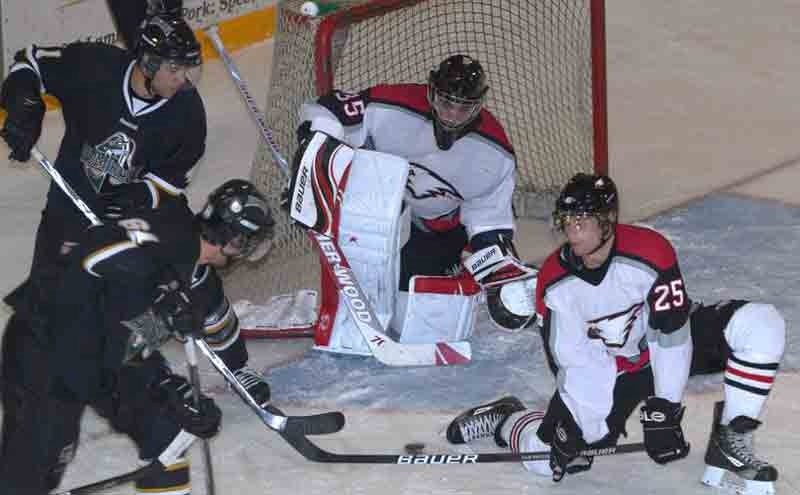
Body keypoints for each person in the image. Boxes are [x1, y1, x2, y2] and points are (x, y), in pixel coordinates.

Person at [445, 173, 785, 495]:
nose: (573, 231)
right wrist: (577, 425)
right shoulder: (556, 283)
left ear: (607, 221)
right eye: (567, 221)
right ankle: (510, 418)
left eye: (582, 221)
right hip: (610, 368)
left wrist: (665, 407)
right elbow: (573, 361)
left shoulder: (651, 252)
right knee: (550, 462)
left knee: (760, 324)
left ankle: (730, 443)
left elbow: (671, 332)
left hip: (666, 346)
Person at [0, 179, 274, 495]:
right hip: (46, 344)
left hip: (104, 359)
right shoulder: (169, 232)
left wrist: (232, 373)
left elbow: (215, 325)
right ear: (234, 240)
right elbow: (92, 251)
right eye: (248, 243)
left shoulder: (202, 284)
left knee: (169, 436)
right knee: (34, 470)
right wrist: (154, 285)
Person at [291, 54, 535, 354]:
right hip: (379, 216)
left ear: (480, 104)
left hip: (440, 234)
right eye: (446, 103)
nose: (452, 116)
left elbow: (489, 224)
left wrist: (496, 270)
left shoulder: (494, 153)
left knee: (416, 317)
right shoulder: (393, 105)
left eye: (464, 107)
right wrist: (310, 161)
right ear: (431, 90)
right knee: (367, 291)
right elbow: (327, 109)